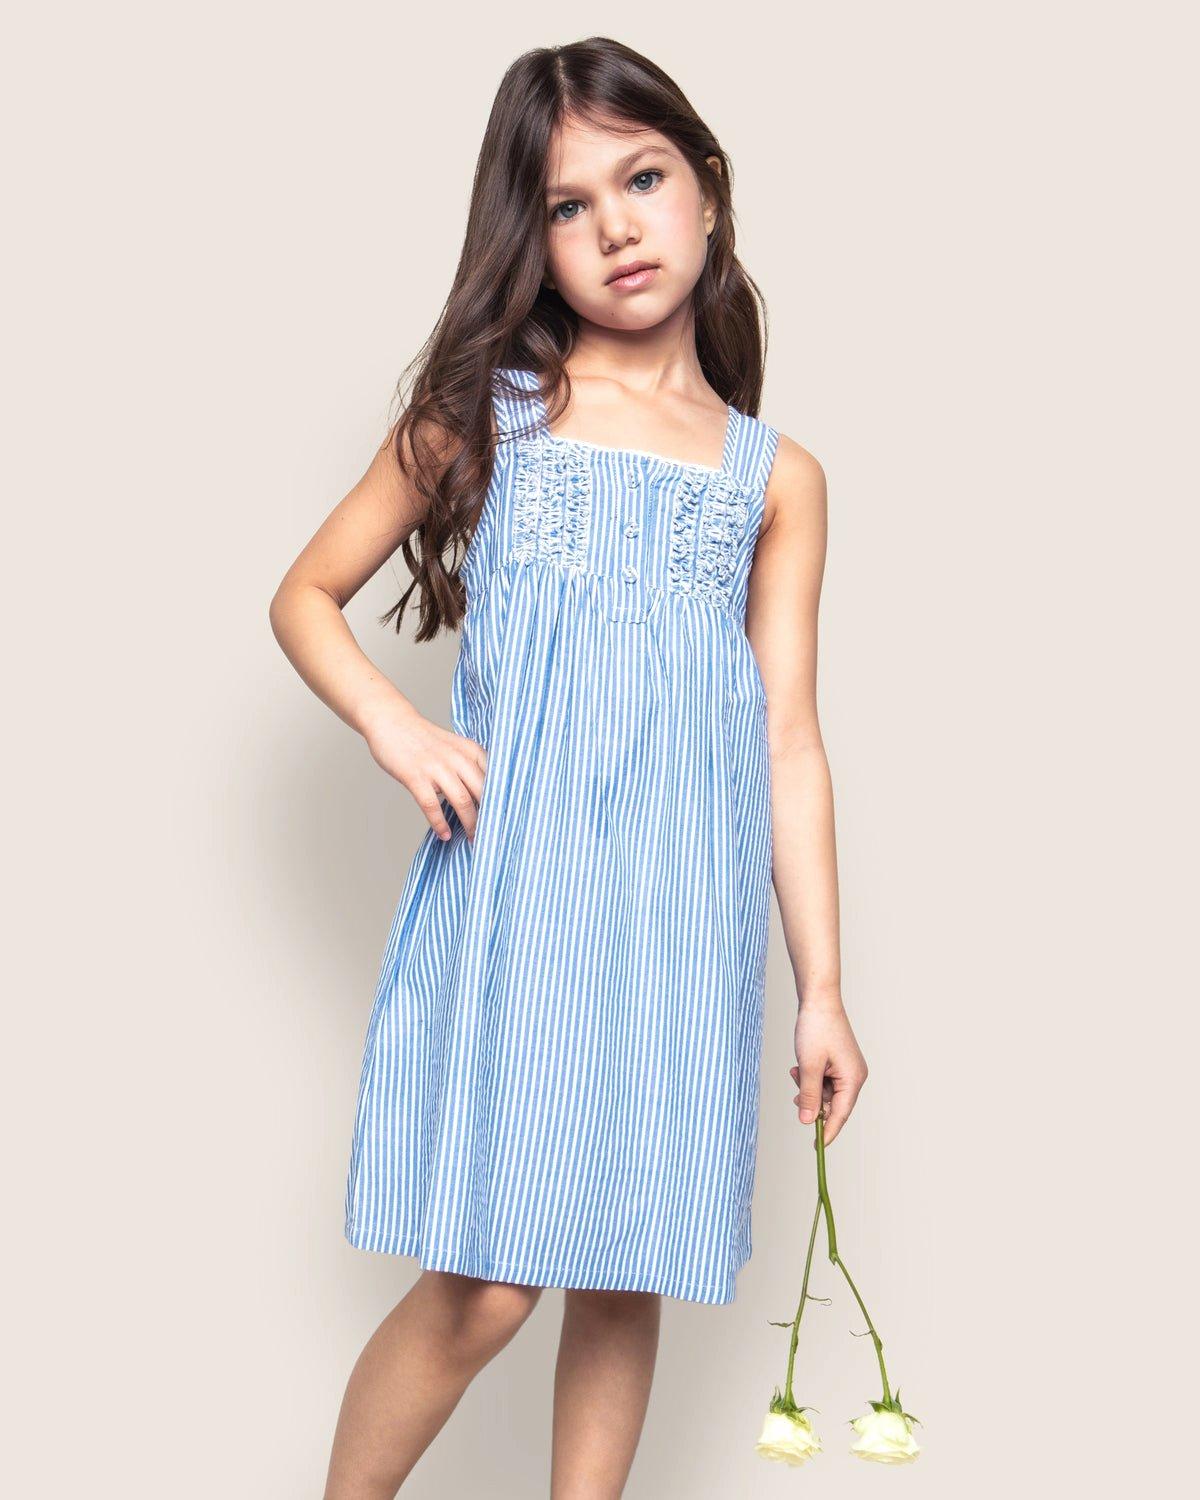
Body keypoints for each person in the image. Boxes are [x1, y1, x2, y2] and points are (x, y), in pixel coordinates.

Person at [269, 36, 869, 1500]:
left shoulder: (775, 479)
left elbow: (790, 736)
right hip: (522, 893)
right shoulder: (491, 417)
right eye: (566, 205)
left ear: (708, 188)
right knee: (488, 1285)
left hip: (684, 909)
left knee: (623, 1262)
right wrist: (397, 726)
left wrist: (824, 989)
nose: (616, 228)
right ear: (529, 240)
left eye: (643, 180)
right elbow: (305, 596)